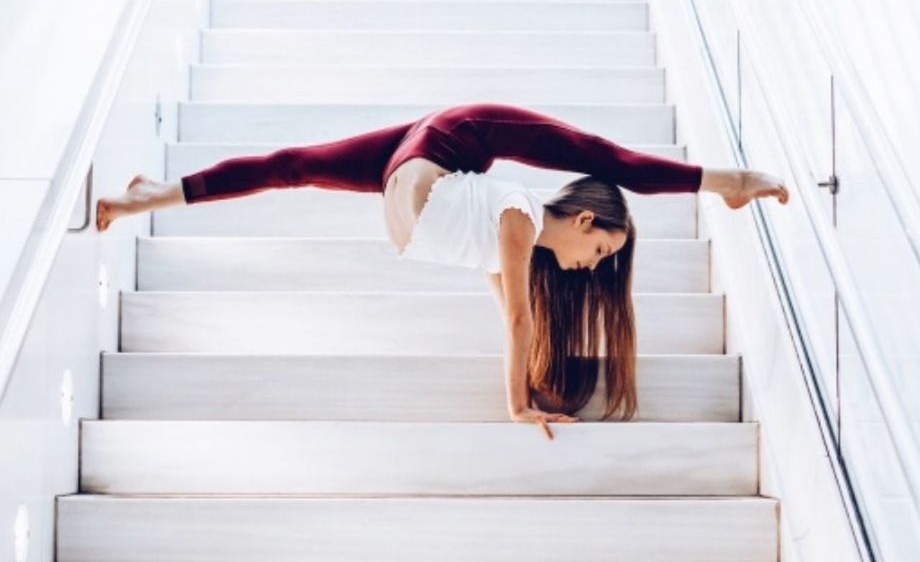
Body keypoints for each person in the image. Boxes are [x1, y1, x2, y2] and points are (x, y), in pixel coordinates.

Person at [95, 102, 789, 440]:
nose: (589, 269)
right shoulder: (519, 218)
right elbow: (519, 318)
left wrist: (530, 376)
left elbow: (505, 312)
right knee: (607, 158)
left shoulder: (502, 237)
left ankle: (148, 193)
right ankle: (733, 179)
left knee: (293, 165)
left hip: (420, 169)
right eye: (600, 251)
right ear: (583, 222)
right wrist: (516, 405)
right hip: (457, 139)